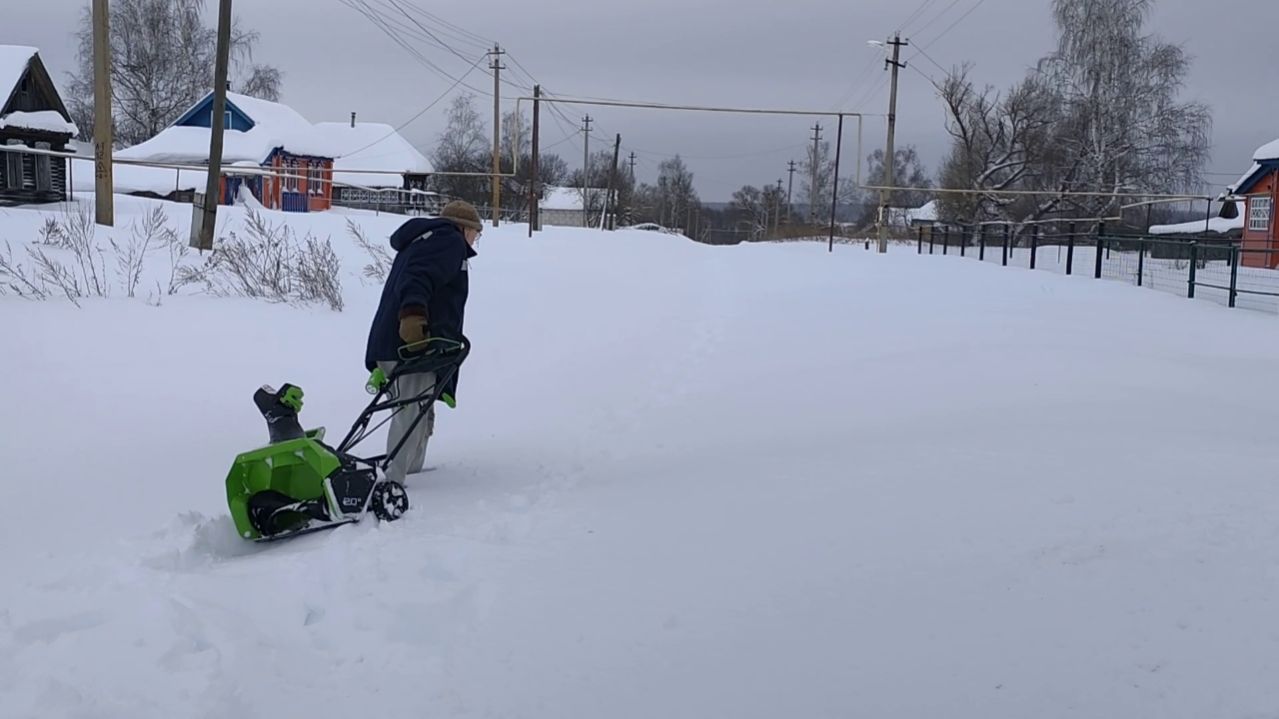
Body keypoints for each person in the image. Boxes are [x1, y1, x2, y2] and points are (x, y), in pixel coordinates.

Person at [364, 200, 481, 486]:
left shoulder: (425, 240)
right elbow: (417, 277)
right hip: (408, 343)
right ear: (464, 227)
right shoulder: (447, 240)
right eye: (476, 232)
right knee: (411, 408)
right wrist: (413, 319)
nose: (476, 239)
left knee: (419, 406)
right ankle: (392, 480)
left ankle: (413, 471)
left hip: (397, 342)